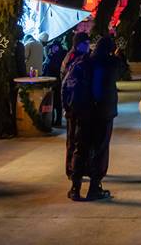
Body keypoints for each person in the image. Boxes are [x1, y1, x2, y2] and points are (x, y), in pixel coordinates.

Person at [82, 36, 120, 201]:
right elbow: (120, 70)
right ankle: (94, 185)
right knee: (101, 147)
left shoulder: (88, 61)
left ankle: (82, 181)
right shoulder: (110, 63)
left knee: (89, 145)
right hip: (104, 110)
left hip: (88, 109)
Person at [61, 32, 91, 199]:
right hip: (74, 106)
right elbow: (67, 84)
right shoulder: (74, 58)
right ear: (79, 44)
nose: (88, 46)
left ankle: (76, 168)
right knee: (73, 140)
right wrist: (67, 106)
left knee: (77, 139)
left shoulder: (78, 57)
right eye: (86, 43)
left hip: (76, 105)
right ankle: (71, 169)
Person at [42, 37, 68, 127]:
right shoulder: (52, 55)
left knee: (56, 102)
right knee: (54, 102)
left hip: (56, 81)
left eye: (54, 47)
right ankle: (54, 120)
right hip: (53, 81)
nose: (53, 48)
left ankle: (56, 120)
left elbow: (55, 68)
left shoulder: (58, 57)